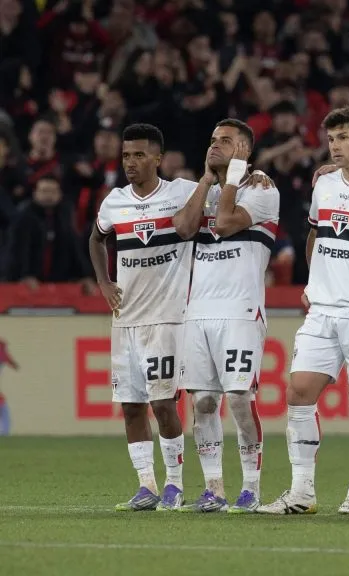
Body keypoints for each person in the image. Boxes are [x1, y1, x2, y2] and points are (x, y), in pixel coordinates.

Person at [257, 107, 349, 515]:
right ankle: (302, 492)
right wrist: (310, 283)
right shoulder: (324, 184)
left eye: (343, 137)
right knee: (299, 392)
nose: (335, 146)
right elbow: (314, 233)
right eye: (330, 139)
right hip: (322, 311)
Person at [171, 119, 280, 513]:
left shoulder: (264, 191)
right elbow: (185, 228)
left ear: (245, 151)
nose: (214, 145)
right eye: (212, 139)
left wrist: (233, 177)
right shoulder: (203, 191)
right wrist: (206, 180)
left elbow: (223, 223)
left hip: (240, 311)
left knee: (237, 398)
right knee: (202, 402)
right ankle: (214, 487)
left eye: (226, 142)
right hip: (197, 311)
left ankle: (251, 486)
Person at [88, 123, 192, 511]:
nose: (130, 163)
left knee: (164, 404)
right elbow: (96, 238)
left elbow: (223, 199)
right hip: (125, 317)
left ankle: (175, 485)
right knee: (132, 405)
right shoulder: (115, 200)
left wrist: (255, 175)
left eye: (139, 155)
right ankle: (146, 485)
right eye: (126, 156)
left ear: (158, 158)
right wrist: (103, 281)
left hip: (166, 318)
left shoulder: (181, 192)